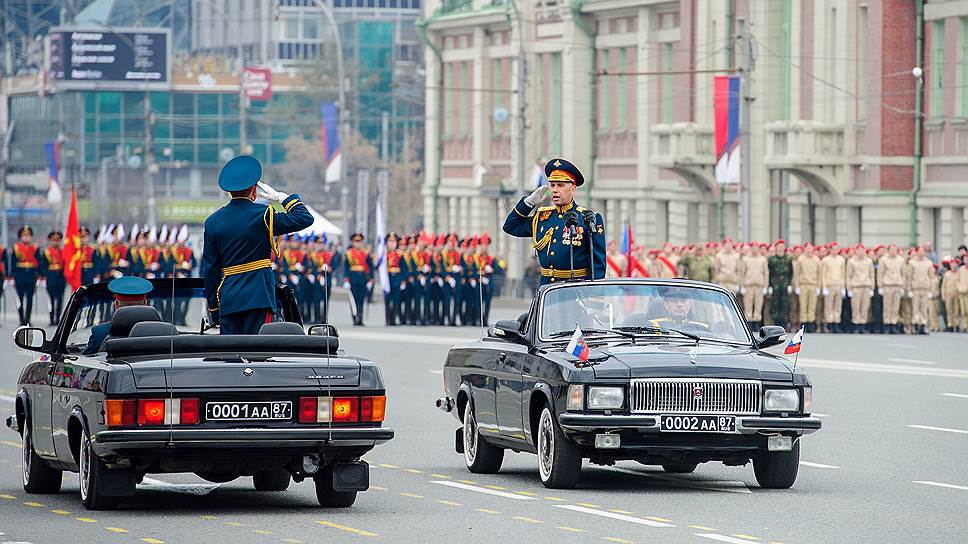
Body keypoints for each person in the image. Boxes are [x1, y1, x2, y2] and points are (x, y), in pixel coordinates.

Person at [202, 155, 314, 334]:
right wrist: (281, 198)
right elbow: (304, 218)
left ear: (230, 191)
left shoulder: (212, 222)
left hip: (229, 298)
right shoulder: (263, 215)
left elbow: (210, 270)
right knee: (257, 354)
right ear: (254, 189)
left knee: (229, 355)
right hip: (258, 295)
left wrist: (214, 309)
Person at [502, 158, 605, 285]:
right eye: (552, 185)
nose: (555, 190)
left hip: (575, 290)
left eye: (561, 185)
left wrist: (592, 295)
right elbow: (510, 227)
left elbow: (598, 266)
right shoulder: (542, 217)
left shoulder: (587, 218)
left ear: (573, 188)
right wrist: (527, 203)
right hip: (546, 289)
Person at [83, 276, 154, 355]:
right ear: (145, 302)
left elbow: (87, 360)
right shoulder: (163, 331)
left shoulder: (99, 333)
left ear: (116, 304)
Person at [11, 226, 40, 326]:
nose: (26, 237)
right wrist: (11, 276)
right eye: (24, 235)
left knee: (30, 298)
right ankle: (21, 318)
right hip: (20, 275)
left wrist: (40, 276)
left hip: (31, 276)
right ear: (20, 237)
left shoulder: (35, 248)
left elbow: (38, 262)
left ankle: (27, 318)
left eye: (28, 235)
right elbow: (13, 263)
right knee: (20, 298)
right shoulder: (16, 247)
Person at [343, 233, 373, 326]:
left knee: (361, 299)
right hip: (353, 278)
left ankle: (360, 318)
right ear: (352, 242)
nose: (358, 243)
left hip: (363, 278)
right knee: (354, 300)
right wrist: (346, 280)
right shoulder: (349, 254)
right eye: (356, 241)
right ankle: (355, 318)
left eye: (359, 241)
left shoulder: (366, 253)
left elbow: (370, 267)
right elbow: (346, 267)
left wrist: (371, 280)